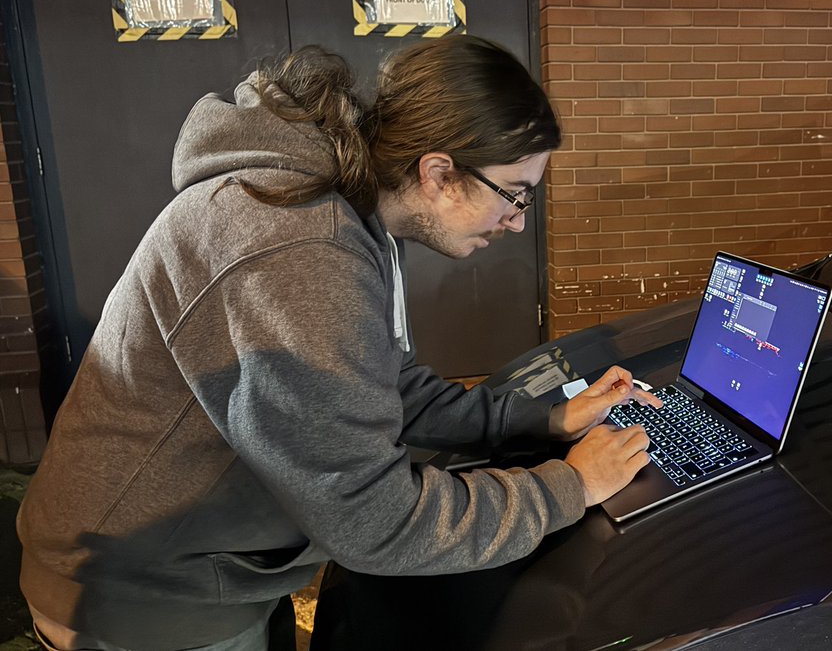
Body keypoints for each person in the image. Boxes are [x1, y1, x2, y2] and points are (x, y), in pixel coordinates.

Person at [16, 35, 658, 650]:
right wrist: (569, 487)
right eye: (514, 195)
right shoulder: (301, 248)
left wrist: (545, 418)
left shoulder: (348, 214)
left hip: (209, 561)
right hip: (147, 594)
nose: (518, 222)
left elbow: (390, 386)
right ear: (439, 173)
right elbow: (375, 522)